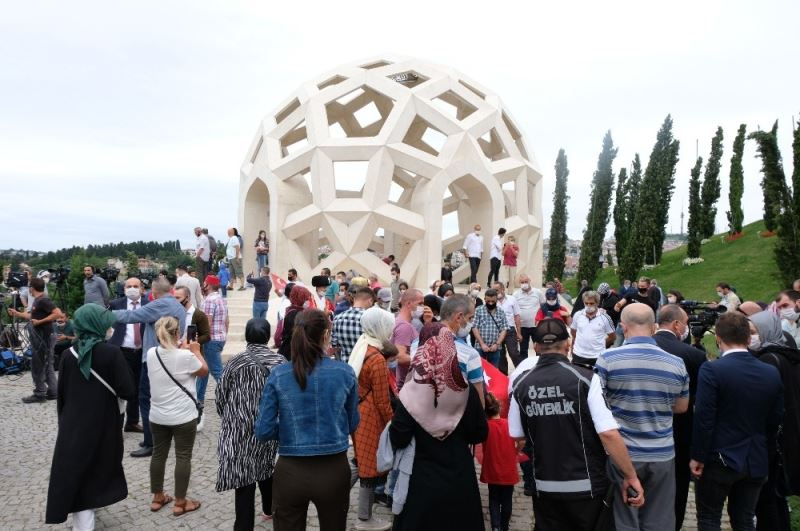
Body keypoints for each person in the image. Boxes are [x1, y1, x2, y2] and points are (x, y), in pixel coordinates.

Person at [510, 318, 644, 530]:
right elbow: (608, 433)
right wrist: (630, 475)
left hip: (544, 484)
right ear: (568, 344)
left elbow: (517, 434)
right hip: (586, 485)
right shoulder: (586, 379)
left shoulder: (521, 383)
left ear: (535, 347)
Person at [256, 309, 359, 531]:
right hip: (333, 468)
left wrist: (289, 429)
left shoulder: (279, 374)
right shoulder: (345, 372)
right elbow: (352, 423)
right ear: (325, 336)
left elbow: (263, 430)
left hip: (291, 469)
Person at [596, 303, 689, 530]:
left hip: (623, 453)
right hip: (662, 453)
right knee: (659, 518)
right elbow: (681, 407)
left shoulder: (607, 360)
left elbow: (599, 406)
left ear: (622, 327)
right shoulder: (676, 364)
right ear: (654, 327)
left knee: (624, 518)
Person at [45, 304, 137, 530]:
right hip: (103, 423)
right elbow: (128, 390)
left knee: (78, 468)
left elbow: (63, 393)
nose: (110, 329)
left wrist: (64, 423)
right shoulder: (111, 353)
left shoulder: (68, 354)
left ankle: (85, 516)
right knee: (98, 466)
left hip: (74, 424)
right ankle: (85, 520)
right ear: (97, 326)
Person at [388, 324, 488, 531]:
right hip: (459, 477)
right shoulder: (465, 390)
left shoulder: (410, 393)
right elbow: (479, 432)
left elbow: (398, 437)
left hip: (420, 479)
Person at [691, 311, 783, 531]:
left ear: (718, 339)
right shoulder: (770, 372)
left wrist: (697, 456)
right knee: (744, 519)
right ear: (749, 338)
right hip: (756, 457)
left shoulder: (712, 369)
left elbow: (704, 417)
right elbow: (775, 417)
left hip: (719, 457)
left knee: (709, 517)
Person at [216, 318, 286, 530]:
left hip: (238, 428)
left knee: (244, 476)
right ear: (267, 336)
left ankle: (243, 525)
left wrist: (228, 418)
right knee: (265, 467)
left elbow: (220, 394)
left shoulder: (236, 361)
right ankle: (269, 508)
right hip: (268, 426)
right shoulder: (280, 362)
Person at [113, 277, 187, 457]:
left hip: (154, 359)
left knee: (146, 400)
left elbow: (131, 316)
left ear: (153, 292)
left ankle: (150, 443)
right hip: (170, 358)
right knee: (160, 400)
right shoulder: (177, 306)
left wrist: (104, 314)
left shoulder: (158, 305)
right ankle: (157, 438)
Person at [653, 304, 707, 530]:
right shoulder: (693, 355)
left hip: (642, 430)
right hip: (681, 430)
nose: (686, 328)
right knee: (678, 485)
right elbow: (701, 399)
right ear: (676, 324)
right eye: (685, 323)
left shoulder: (638, 348)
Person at [147, 316, 208, 517]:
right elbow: (204, 371)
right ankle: (180, 502)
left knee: (158, 454)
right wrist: (196, 351)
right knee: (183, 456)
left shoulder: (151, 353)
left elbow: (169, 358)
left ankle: (158, 497)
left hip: (157, 415)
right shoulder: (186, 357)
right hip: (183, 416)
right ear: (176, 333)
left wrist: (182, 349)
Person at [748, 311, 799, 530]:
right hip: (787, 435)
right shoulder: (787, 355)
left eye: (752, 332)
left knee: (767, 499)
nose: (749, 337)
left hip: (774, 440)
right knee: (776, 498)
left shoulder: (770, 359)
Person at [348, 308, 396, 531]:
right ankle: (364, 518)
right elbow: (382, 399)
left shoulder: (363, 344)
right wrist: (392, 422)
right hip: (370, 417)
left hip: (360, 411)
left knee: (361, 463)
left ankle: (331, 494)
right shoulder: (376, 358)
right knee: (368, 469)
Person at [8, 276, 61, 403]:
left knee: (38, 365)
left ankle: (40, 393)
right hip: (43, 337)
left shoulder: (43, 300)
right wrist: (17, 313)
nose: (28, 290)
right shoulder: (38, 301)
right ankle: (54, 391)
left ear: (32, 288)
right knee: (47, 364)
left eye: (29, 287)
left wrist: (40, 322)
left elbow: (57, 313)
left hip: (44, 337)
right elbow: (33, 316)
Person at [108, 277, 148, 432]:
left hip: (142, 351)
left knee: (139, 387)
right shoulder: (115, 304)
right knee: (120, 386)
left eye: (135, 286)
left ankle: (132, 422)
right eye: (129, 286)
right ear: (124, 289)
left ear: (142, 288)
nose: (132, 288)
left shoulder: (148, 305)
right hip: (121, 351)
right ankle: (116, 423)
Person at [480, 392, 518, 531]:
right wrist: (516, 450)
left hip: (492, 469)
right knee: (507, 500)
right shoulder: (509, 424)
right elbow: (522, 440)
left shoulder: (486, 427)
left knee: (494, 499)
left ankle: (496, 526)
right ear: (499, 408)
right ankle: (504, 526)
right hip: (508, 469)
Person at [198, 274, 228, 429]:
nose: (203, 284)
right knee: (203, 370)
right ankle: (198, 399)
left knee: (216, 371)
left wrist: (199, 339)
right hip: (219, 337)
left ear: (208, 285)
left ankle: (231, 397)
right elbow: (226, 320)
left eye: (204, 283)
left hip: (210, 340)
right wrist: (225, 335)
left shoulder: (209, 300)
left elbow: (206, 323)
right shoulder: (222, 299)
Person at [570, 290, 616, 366]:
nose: (588, 305)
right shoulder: (577, 315)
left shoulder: (605, 318)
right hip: (578, 355)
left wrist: (600, 344)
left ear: (597, 303)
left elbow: (612, 337)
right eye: (586, 303)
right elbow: (573, 332)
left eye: (591, 303)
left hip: (596, 357)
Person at [392, 288, 424, 389]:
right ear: (409, 303)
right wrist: (426, 360)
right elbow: (400, 357)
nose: (422, 307)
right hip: (403, 386)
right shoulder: (404, 326)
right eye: (420, 303)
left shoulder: (399, 321)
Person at [332, 287, 374, 362]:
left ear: (354, 299)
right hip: (365, 365)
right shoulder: (370, 319)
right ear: (370, 301)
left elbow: (334, 344)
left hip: (345, 365)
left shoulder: (337, 318)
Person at [471, 288, 507, 368]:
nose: (490, 303)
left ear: (497, 300)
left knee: (494, 371)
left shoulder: (501, 312)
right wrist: (482, 344)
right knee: (479, 371)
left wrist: (497, 344)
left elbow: (504, 329)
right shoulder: (478, 310)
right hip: (480, 347)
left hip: (495, 348)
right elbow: (474, 327)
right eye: (488, 301)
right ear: (484, 299)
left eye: (493, 301)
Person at [278, 286, 314, 360]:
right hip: (296, 354)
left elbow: (278, 336)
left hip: (286, 351)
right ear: (301, 299)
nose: (308, 301)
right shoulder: (301, 315)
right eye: (306, 299)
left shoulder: (288, 311)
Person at [513, 274, 543, 362]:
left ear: (529, 281)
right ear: (519, 283)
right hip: (522, 327)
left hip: (537, 326)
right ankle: (524, 369)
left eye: (526, 282)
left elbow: (543, 306)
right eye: (522, 282)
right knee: (523, 350)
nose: (524, 284)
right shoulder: (516, 295)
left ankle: (540, 366)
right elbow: (514, 311)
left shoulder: (537, 292)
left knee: (539, 349)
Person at [493, 281, 521, 373]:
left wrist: (519, 333)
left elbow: (517, 316)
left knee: (514, 353)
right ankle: (503, 376)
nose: (495, 292)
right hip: (497, 332)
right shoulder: (491, 302)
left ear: (503, 289)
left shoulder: (512, 299)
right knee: (501, 355)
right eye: (493, 290)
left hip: (510, 331)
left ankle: (521, 372)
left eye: (497, 290)